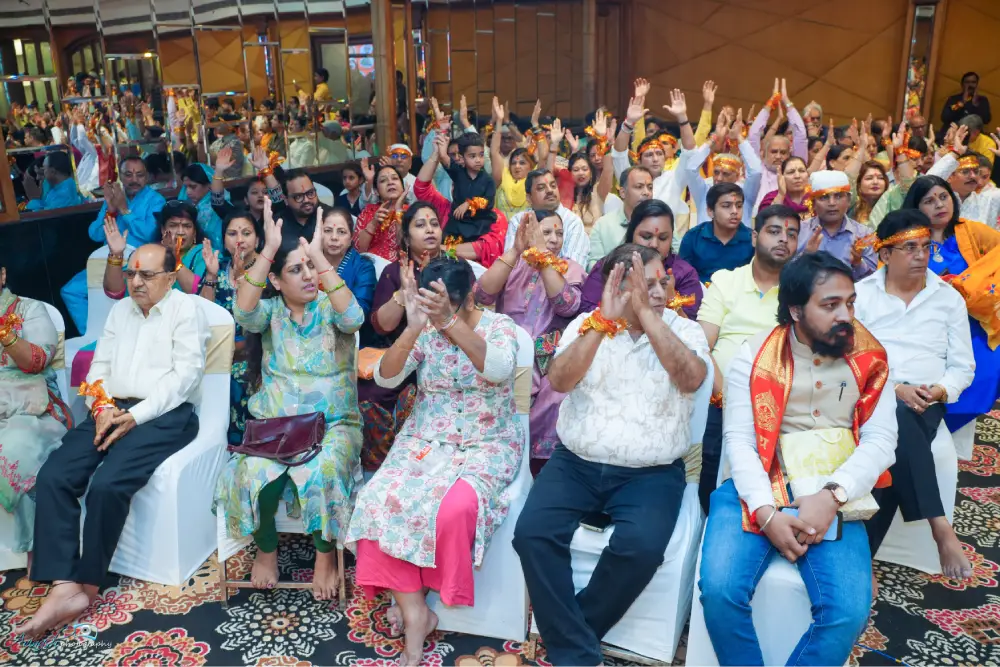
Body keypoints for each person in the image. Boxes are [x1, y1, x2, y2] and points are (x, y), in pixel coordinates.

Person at [513, 244, 711, 666]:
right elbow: (560, 380)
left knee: (641, 548)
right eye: (643, 284)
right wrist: (603, 323)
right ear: (616, 286)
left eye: (661, 281)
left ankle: (571, 642)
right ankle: (579, 651)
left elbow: (692, 379)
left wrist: (649, 317)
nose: (656, 291)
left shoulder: (685, 329)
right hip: (576, 463)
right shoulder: (587, 324)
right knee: (531, 533)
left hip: (651, 471)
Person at [699, 251, 897, 666]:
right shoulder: (755, 356)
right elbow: (740, 440)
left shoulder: (870, 357)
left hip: (833, 487)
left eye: (850, 303)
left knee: (848, 612)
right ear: (795, 310)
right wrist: (765, 513)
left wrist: (833, 495)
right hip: (755, 482)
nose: (845, 316)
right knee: (719, 592)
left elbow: (882, 440)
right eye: (830, 305)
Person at [21, 243, 208, 639]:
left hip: (165, 415)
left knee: (107, 484)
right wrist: (102, 406)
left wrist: (135, 416)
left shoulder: (187, 310)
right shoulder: (121, 311)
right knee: (54, 475)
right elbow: (99, 366)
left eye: (147, 275)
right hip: (111, 408)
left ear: (170, 278)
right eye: (131, 274)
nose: (136, 282)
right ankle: (62, 584)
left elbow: (185, 379)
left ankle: (87, 585)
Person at [347, 257, 524, 666]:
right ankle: (415, 612)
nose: (437, 314)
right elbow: (387, 377)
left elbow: (498, 370)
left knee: (454, 508)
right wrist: (413, 328)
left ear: (469, 297)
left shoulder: (500, 327)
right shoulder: (424, 329)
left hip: (486, 442)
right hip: (426, 439)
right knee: (376, 498)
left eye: (445, 304)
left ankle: (425, 596)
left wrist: (450, 322)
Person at [214, 204, 364, 599]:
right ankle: (266, 550)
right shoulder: (270, 313)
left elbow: (354, 318)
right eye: (296, 269)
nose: (308, 275)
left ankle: (325, 557)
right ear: (277, 281)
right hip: (276, 427)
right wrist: (269, 248)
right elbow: (243, 310)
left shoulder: (331, 307)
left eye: (310, 267)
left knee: (323, 471)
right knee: (249, 473)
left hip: (332, 426)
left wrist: (317, 255)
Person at [855, 209, 975, 580]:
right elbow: (851, 360)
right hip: (872, 396)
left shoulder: (948, 299)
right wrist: (894, 388)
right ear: (885, 254)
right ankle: (940, 526)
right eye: (910, 248)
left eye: (925, 246)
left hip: (926, 402)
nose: (921, 255)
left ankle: (861, 559)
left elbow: (963, 367)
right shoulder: (860, 296)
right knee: (896, 416)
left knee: (897, 429)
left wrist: (939, 390)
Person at [695, 204, 801, 512]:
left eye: (791, 234)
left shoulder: (800, 292)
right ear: (754, 237)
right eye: (774, 231)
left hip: (780, 401)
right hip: (720, 398)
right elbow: (701, 345)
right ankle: (711, 517)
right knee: (709, 457)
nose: (783, 240)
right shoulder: (726, 281)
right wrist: (726, 396)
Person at [476, 210, 584, 473]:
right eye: (546, 232)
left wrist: (543, 257)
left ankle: (540, 471)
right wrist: (516, 250)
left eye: (559, 233)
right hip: (507, 353)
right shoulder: (514, 264)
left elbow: (567, 305)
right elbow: (481, 295)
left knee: (558, 394)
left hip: (547, 362)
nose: (554, 239)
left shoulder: (569, 268)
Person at [901, 175, 1000, 432]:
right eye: (929, 201)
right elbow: (890, 277)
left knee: (983, 379)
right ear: (915, 207)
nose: (939, 205)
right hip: (927, 327)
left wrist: (974, 283)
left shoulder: (970, 230)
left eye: (944, 197)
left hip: (974, 323)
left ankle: (952, 435)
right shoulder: (906, 238)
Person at [358, 202, 443, 472]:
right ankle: (382, 466)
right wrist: (404, 294)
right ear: (406, 237)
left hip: (445, 357)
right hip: (402, 357)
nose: (429, 230)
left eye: (434, 224)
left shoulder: (454, 267)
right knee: (368, 394)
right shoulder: (394, 272)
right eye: (420, 225)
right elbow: (382, 327)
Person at [0, 262, 72, 568]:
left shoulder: (29, 310)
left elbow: (37, 361)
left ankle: (36, 546)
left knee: (17, 446)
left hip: (33, 408)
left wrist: (6, 333)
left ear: (3, 275)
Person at [197, 210, 264, 444]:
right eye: (232, 233)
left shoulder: (267, 271)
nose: (240, 239)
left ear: (257, 239)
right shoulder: (218, 268)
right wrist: (211, 275)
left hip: (257, 353)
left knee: (241, 377)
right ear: (223, 240)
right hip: (219, 354)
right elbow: (202, 313)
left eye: (246, 233)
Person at [582, 198, 702, 319]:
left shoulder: (683, 274)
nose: (654, 244)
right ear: (631, 234)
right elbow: (586, 314)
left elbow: (691, 326)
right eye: (646, 236)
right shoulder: (611, 267)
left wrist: (672, 300)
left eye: (663, 238)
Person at [611, 87, 696, 239]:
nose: (655, 159)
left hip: (666, 242)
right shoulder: (630, 176)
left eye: (659, 154)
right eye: (649, 155)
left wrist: (682, 118)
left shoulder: (674, 178)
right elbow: (618, 154)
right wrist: (628, 123)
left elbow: (690, 152)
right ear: (639, 160)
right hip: (632, 241)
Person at [415, 134, 509, 267]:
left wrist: (470, 204)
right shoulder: (458, 175)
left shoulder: (495, 215)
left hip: (479, 257)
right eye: (472, 156)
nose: (478, 160)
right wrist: (438, 153)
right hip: (454, 232)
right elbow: (421, 187)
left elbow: (488, 202)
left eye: (481, 155)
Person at [684, 109, 764, 228]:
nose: (719, 178)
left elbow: (756, 171)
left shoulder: (745, 193)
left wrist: (739, 137)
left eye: (726, 174)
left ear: (737, 176)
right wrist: (715, 137)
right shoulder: (704, 190)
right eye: (716, 172)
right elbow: (691, 168)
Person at [796, 170, 877, 279]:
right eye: (824, 197)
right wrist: (805, 257)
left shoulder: (864, 235)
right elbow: (785, 273)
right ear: (813, 203)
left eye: (838, 196)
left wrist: (858, 263)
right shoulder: (799, 231)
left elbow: (874, 281)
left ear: (849, 200)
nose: (832, 203)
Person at [503, 169, 590, 266]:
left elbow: (574, 267)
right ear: (529, 198)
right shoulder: (519, 221)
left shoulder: (572, 222)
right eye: (541, 188)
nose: (549, 190)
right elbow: (509, 265)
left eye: (553, 186)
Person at [749, 79, 808, 213]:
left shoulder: (795, 172)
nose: (778, 156)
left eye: (783, 152)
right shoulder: (757, 170)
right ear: (763, 153)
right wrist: (771, 103)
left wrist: (787, 102)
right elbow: (753, 136)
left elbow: (800, 134)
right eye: (774, 152)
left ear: (790, 154)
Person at [680, 182, 755, 283]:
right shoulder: (693, 237)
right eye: (726, 206)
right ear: (710, 211)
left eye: (739, 206)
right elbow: (684, 277)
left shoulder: (752, 239)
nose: (735, 211)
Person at [587, 166, 654, 269]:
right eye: (639, 187)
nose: (646, 192)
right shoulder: (603, 225)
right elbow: (594, 267)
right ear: (623, 193)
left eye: (650, 187)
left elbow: (674, 259)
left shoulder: (661, 222)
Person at [318, 206, 377, 313]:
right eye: (328, 230)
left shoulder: (364, 267)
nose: (334, 237)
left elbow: (361, 311)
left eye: (341, 232)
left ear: (351, 238)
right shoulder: (309, 262)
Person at [352, 163, 409, 261]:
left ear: (403, 187)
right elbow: (358, 249)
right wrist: (373, 223)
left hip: (401, 266)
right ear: (376, 191)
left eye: (395, 178)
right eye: (383, 180)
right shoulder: (368, 211)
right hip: (371, 266)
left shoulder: (412, 212)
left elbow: (407, 248)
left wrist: (399, 212)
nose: (390, 182)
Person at [179, 163, 225, 250]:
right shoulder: (185, 207)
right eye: (185, 187)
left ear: (209, 185)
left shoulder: (221, 208)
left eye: (193, 187)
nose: (188, 192)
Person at [940, 72, 991, 136]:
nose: (970, 85)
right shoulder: (953, 99)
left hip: (973, 136)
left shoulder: (982, 100)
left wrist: (975, 104)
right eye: (967, 82)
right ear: (962, 85)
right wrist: (961, 103)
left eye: (973, 82)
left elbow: (986, 120)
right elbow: (944, 118)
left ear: (977, 84)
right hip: (953, 133)